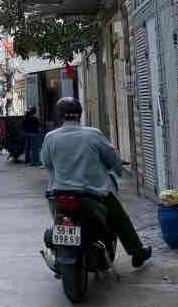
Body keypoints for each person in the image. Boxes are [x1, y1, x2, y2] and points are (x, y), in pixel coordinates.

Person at [41, 97, 152, 267]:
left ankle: (60, 255)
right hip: (93, 194)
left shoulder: (50, 137)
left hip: (58, 195)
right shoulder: (93, 134)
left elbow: (47, 164)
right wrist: (118, 168)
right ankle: (137, 252)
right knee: (120, 218)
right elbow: (112, 158)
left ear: (60, 115)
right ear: (79, 114)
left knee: (59, 219)